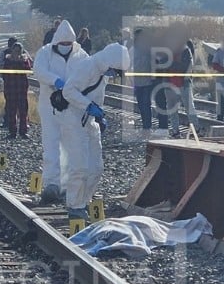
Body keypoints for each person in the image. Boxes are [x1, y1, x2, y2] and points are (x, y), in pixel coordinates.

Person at [56, 43, 131, 228]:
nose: (114, 74)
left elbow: (97, 99)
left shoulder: (101, 73)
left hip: (89, 121)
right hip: (73, 120)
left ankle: (85, 202)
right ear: (109, 64)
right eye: (115, 71)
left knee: (96, 167)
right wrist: (87, 106)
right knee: (79, 166)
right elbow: (68, 91)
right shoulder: (87, 67)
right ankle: (75, 206)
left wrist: (98, 116)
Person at [33, 20, 88, 204]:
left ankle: (69, 186)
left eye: (68, 44)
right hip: (49, 106)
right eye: (62, 44)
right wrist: (55, 80)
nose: (65, 47)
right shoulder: (45, 53)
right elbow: (38, 71)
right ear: (57, 41)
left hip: (72, 108)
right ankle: (51, 184)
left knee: (71, 146)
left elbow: (90, 75)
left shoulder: (81, 55)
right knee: (51, 145)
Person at [2, 42, 32, 139]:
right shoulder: (8, 60)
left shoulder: (25, 60)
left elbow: (28, 70)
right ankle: (12, 132)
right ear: (12, 51)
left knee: (23, 111)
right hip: (10, 89)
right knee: (11, 111)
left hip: (21, 88)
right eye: (15, 51)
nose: (17, 53)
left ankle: (23, 131)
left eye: (19, 51)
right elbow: (4, 74)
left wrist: (21, 61)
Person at [130, 28, 156, 131]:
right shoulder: (133, 48)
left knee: (146, 104)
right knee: (140, 104)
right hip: (137, 81)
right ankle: (145, 124)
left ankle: (147, 126)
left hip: (147, 81)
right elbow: (129, 62)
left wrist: (153, 77)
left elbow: (153, 62)